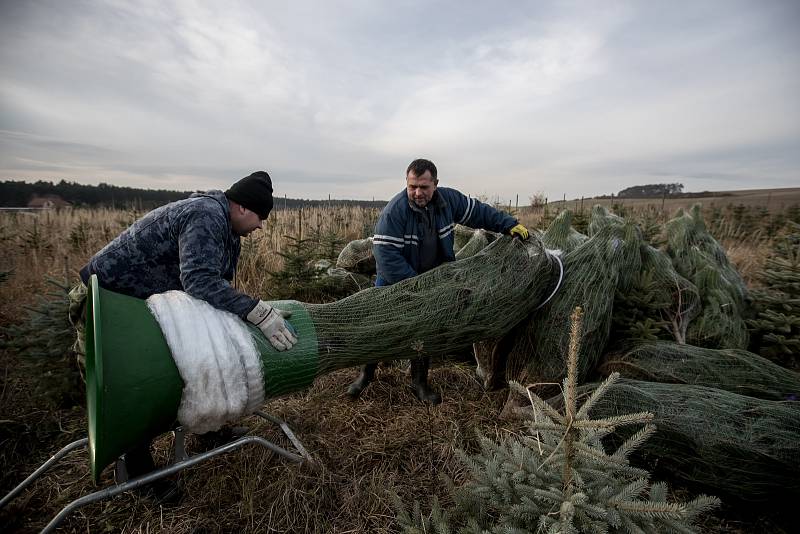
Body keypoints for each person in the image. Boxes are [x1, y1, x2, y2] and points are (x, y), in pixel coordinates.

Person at [76, 170, 297, 503]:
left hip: (143, 304)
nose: (261, 226)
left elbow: (213, 289)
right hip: (109, 306)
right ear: (240, 207)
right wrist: (256, 310)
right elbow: (198, 281)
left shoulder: (227, 228)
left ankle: (208, 428)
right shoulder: (206, 216)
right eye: (260, 217)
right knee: (137, 383)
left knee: (197, 357)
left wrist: (240, 312)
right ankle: (141, 476)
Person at [346, 159, 529, 404]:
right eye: (412, 187)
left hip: (431, 278)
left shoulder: (447, 201)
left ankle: (419, 382)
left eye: (424, 187)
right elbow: (386, 258)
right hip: (394, 281)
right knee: (378, 326)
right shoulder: (394, 212)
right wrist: (416, 286)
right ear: (407, 183)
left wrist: (509, 225)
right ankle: (366, 374)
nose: (418, 193)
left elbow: (479, 212)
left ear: (435, 184)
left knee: (425, 331)